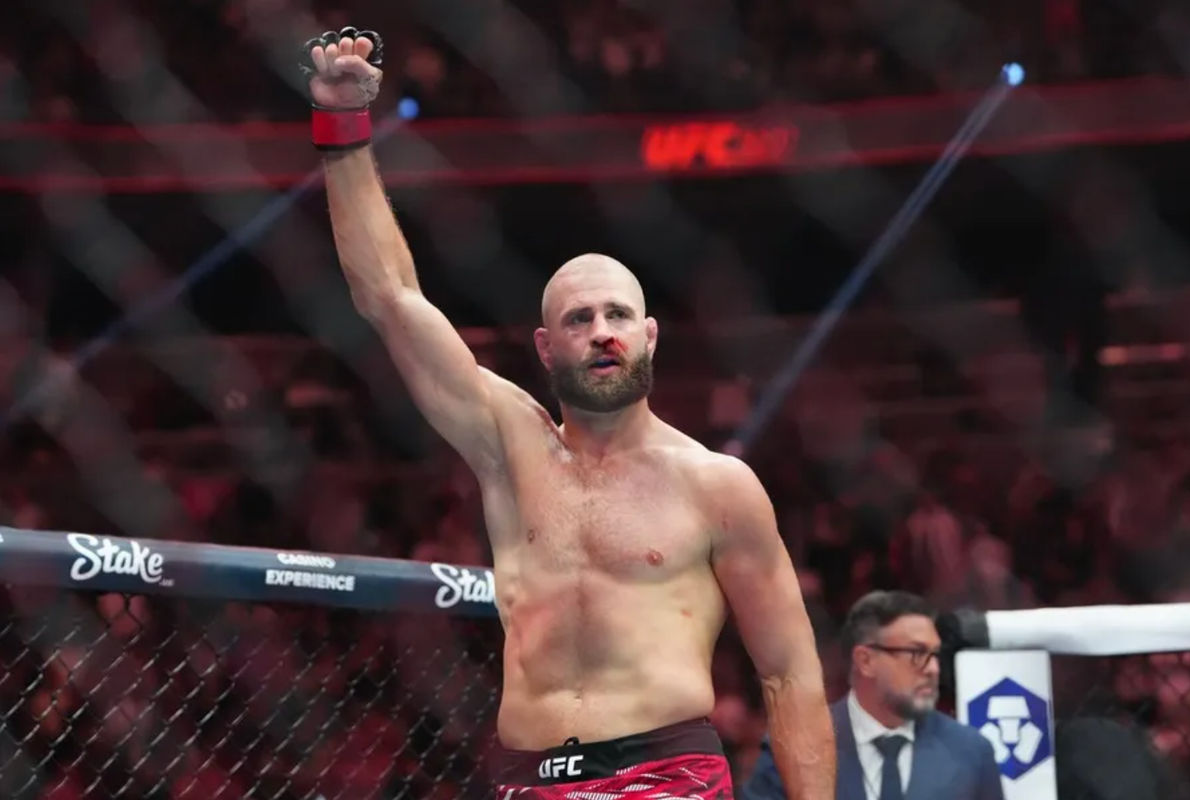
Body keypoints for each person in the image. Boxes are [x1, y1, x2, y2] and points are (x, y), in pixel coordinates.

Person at [300, 26, 835, 800]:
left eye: (619, 315)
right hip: (530, 780)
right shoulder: (508, 446)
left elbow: (789, 673)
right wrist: (343, 126)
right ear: (547, 349)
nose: (602, 332)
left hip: (667, 777)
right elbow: (389, 297)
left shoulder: (717, 486)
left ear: (650, 336)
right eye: (580, 320)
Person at [742, 591, 1002, 800]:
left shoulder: (970, 751)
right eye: (917, 653)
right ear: (865, 660)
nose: (933, 668)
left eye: (935, 654)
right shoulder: (796, 745)